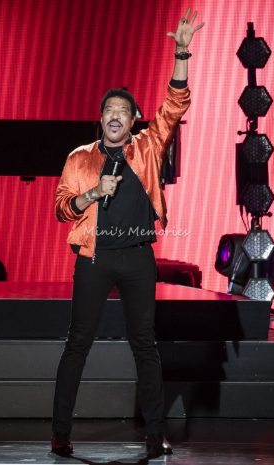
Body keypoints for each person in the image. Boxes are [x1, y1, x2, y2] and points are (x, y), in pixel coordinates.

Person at [51, 7, 204, 459]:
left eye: (123, 111)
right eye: (109, 111)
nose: (115, 117)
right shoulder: (80, 158)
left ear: (134, 118)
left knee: (145, 346)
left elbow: (174, 105)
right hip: (94, 259)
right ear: (100, 119)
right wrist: (92, 193)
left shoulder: (148, 148)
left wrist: (181, 53)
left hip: (137, 256)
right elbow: (61, 209)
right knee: (78, 344)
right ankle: (60, 433)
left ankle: (155, 435)